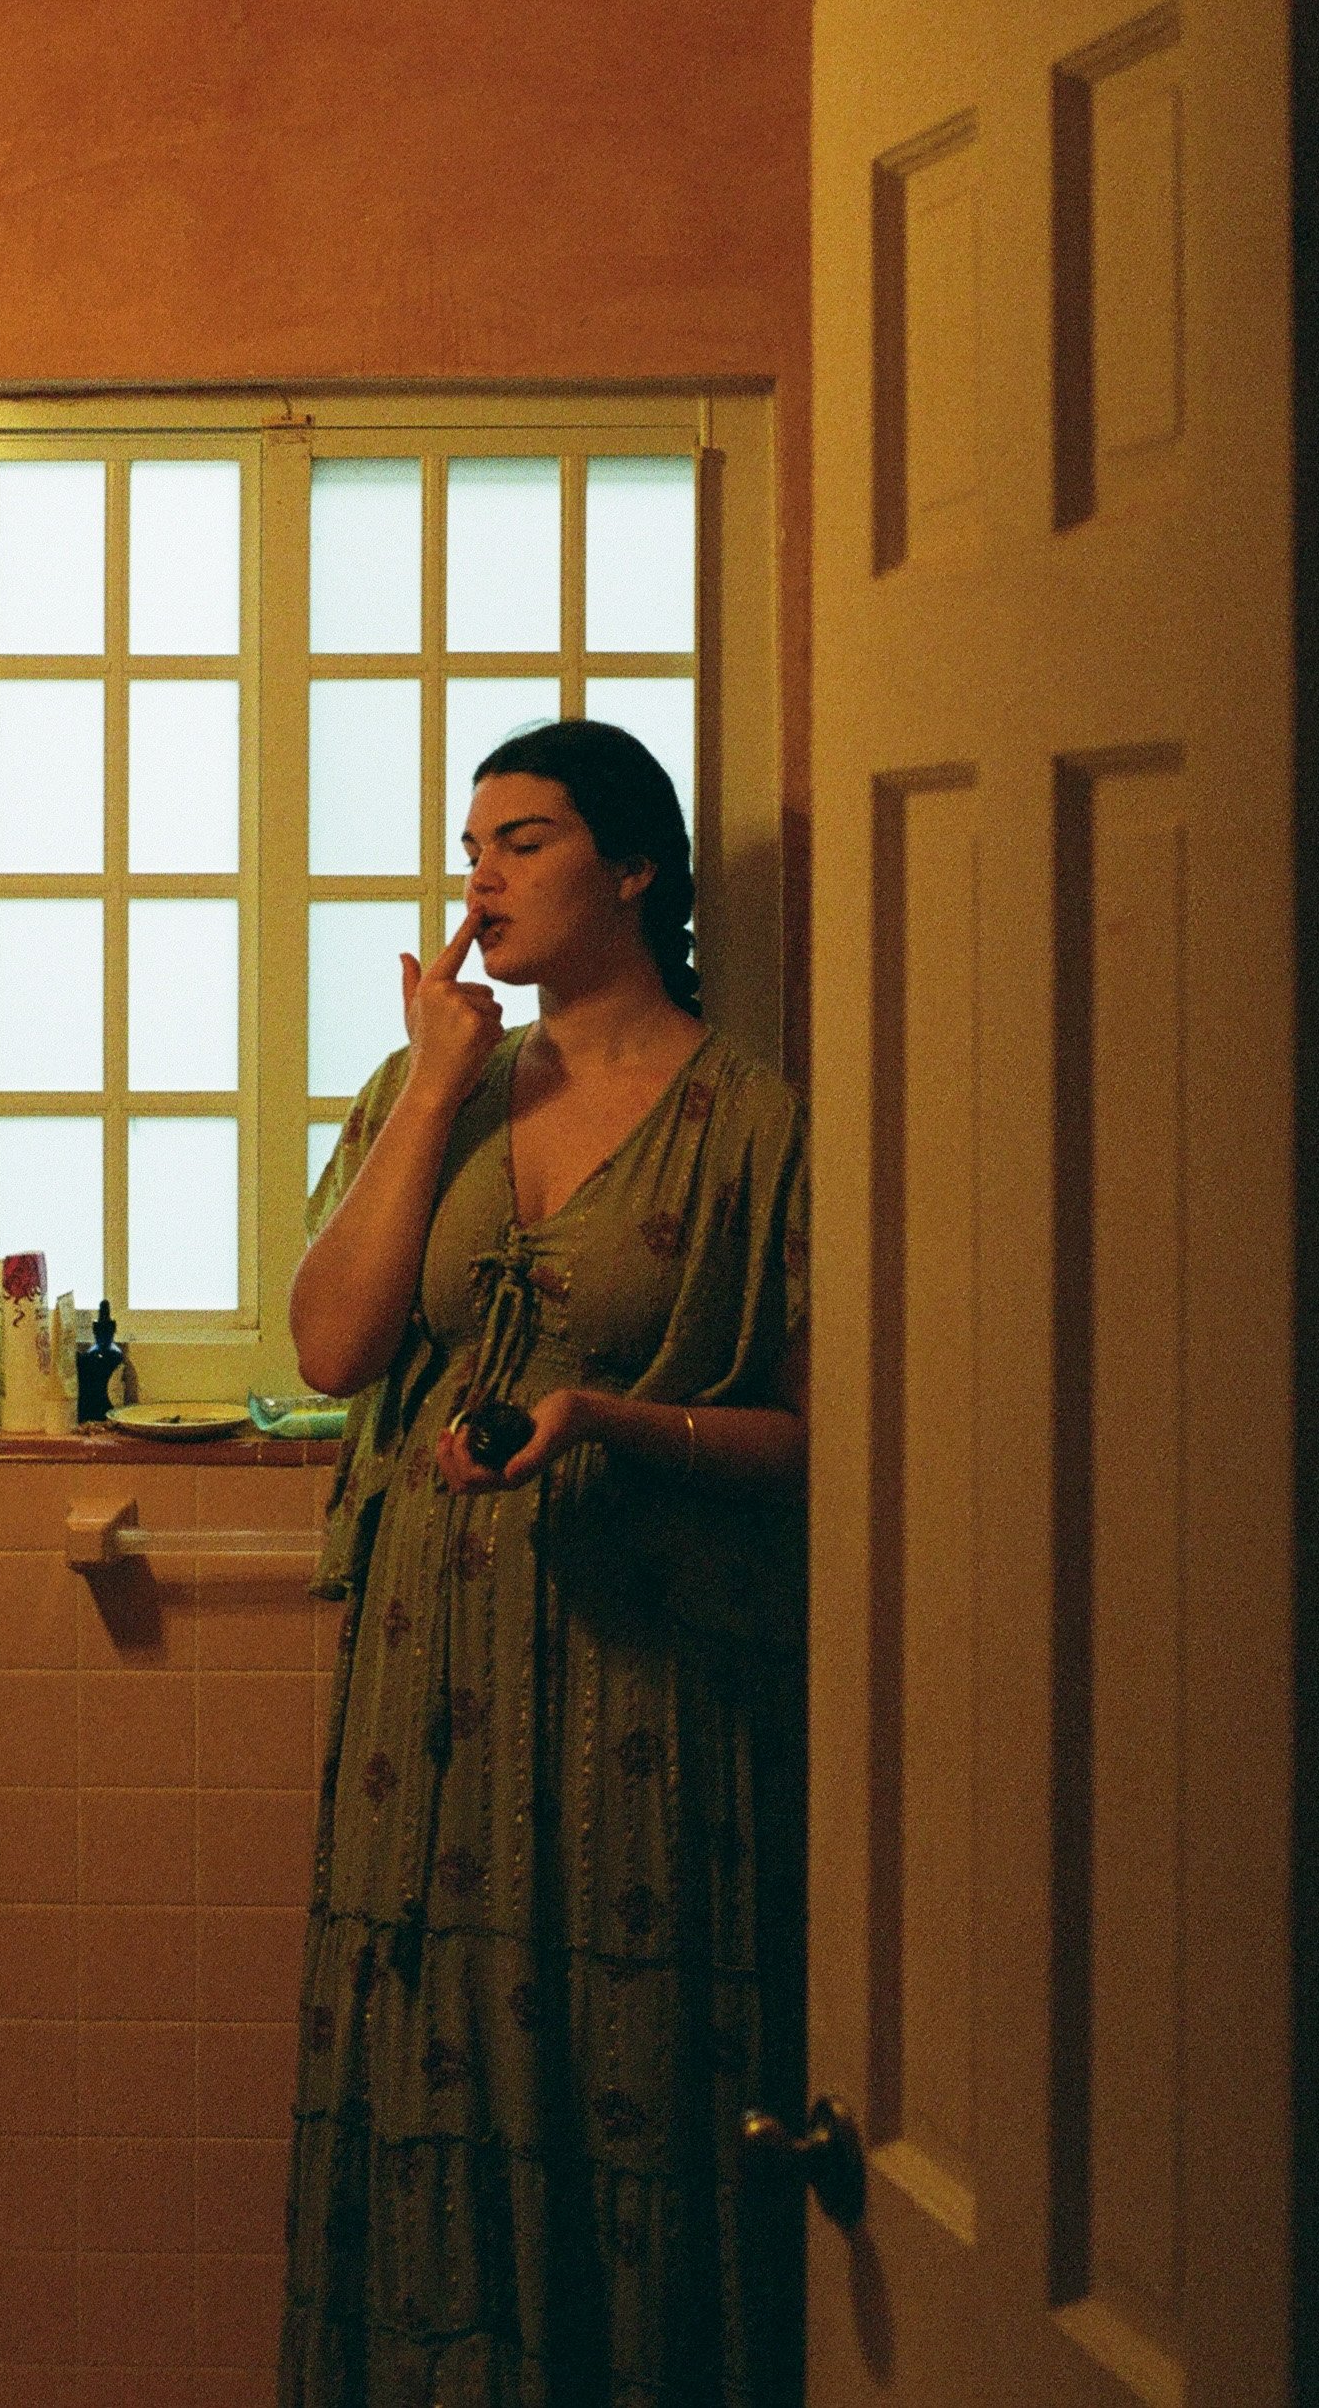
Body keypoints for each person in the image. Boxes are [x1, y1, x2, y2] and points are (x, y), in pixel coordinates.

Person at [279, 719, 808, 2408]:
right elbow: (333, 1346)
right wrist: (436, 1079)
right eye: (471, 849)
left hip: (640, 1676)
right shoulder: (433, 1088)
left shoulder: (756, 1120)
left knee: (624, 2064)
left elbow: (825, 1437)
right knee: (421, 2037)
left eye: (522, 840)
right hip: (422, 1670)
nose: (479, 880)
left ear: (633, 867)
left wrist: (606, 1418)